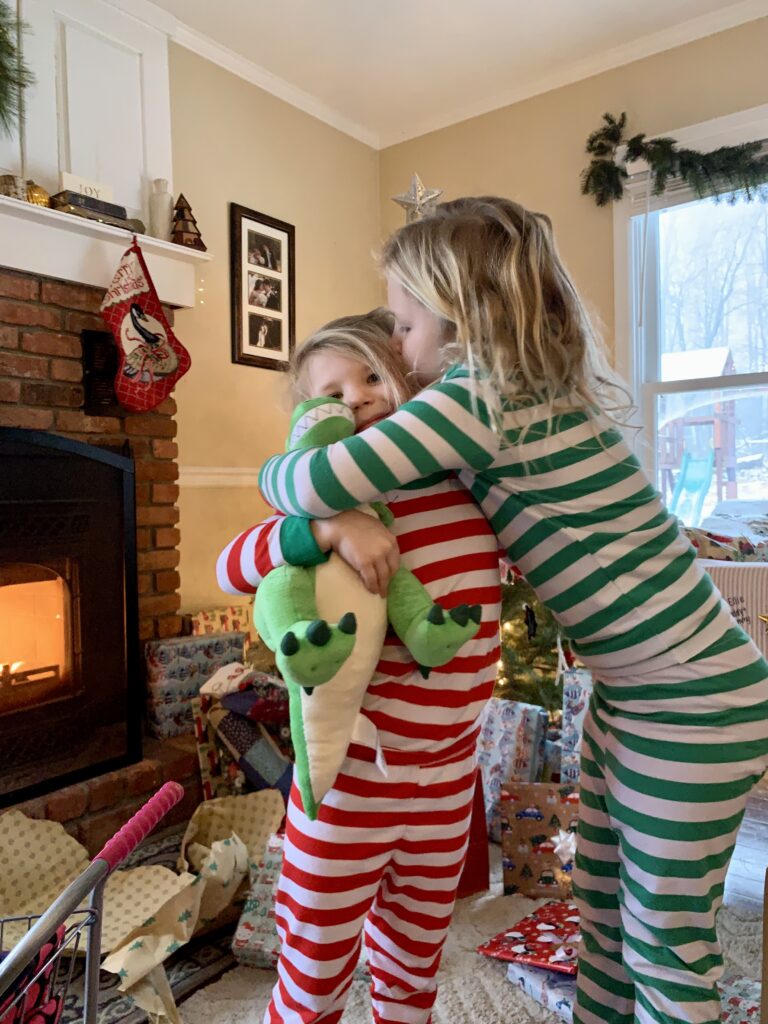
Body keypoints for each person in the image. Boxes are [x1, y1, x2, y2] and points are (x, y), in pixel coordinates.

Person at [257, 197, 768, 1024]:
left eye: (403, 323)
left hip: (692, 702)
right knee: (603, 919)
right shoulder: (514, 395)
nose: (396, 347)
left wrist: (310, 500)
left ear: (454, 314)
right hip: (636, 695)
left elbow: (308, 480)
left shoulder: (475, 397)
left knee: (664, 946)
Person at [217, 309, 502, 1024]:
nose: (357, 398)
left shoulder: (469, 484)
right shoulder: (333, 498)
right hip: (351, 781)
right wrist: (327, 527)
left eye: (373, 375)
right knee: (315, 967)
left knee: (415, 959)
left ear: (412, 379)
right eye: (333, 392)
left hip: (446, 777)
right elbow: (230, 566)